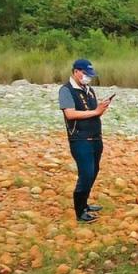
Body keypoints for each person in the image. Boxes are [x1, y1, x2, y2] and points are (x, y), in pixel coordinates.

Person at [58, 58, 110, 223]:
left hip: (95, 137)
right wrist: (96, 111)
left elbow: (93, 112)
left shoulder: (89, 90)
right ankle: (79, 211)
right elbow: (70, 114)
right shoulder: (66, 90)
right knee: (86, 174)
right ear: (76, 72)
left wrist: (100, 109)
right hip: (80, 139)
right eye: (85, 74)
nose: (88, 77)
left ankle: (85, 203)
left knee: (93, 171)